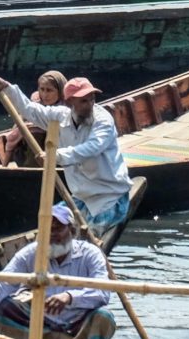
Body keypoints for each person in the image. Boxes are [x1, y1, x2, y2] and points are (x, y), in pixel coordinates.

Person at [0, 203, 112, 339]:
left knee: (104, 317)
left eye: (57, 229)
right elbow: (1, 284)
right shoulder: (31, 253)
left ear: (72, 231)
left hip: (79, 320)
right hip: (42, 321)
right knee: (3, 306)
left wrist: (69, 297)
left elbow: (102, 293)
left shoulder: (90, 254)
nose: (50, 235)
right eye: (46, 229)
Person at [57, 77, 135, 227]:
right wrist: (7, 89)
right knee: (52, 220)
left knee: (92, 231)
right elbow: (31, 110)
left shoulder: (103, 119)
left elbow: (93, 147)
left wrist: (58, 156)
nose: (90, 104)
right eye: (84, 101)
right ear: (70, 102)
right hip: (83, 195)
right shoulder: (62, 116)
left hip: (110, 196)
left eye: (91, 99)